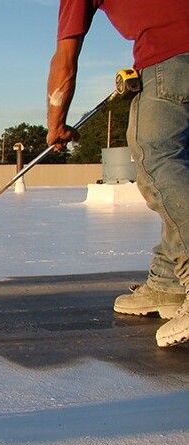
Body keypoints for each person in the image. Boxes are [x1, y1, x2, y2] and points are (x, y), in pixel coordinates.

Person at [46, 0, 189, 347]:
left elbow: (65, 59)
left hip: (172, 54)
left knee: (155, 157)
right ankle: (169, 282)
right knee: (179, 164)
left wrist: (55, 124)